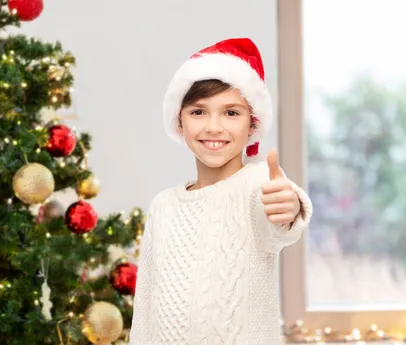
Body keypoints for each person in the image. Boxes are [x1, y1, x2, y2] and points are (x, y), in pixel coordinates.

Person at [129, 38, 313, 345]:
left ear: (252, 125)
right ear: (179, 122)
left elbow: (280, 221)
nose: (214, 127)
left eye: (231, 113)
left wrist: (290, 205)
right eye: (198, 112)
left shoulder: (257, 186)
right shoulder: (163, 205)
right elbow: (146, 305)